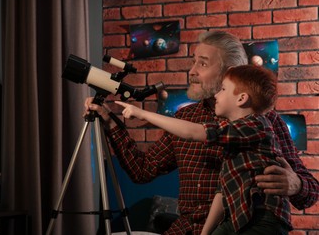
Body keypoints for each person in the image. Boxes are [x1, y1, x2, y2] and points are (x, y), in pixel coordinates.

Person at [84, 31, 319, 235]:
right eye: (193, 62)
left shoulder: (265, 121)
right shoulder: (186, 118)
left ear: (230, 72)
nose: (192, 71)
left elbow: (310, 191)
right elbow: (142, 170)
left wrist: (296, 184)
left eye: (203, 64)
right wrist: (110, 122)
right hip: (189, 229)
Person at [115, 65, 291, 234]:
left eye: (223, 89)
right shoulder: (234, 141)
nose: (216, 94)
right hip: (237, 218)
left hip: (262, 220)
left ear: (241, 98)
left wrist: (143, 113)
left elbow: (194, 132)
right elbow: (222, 192)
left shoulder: (256, 126)